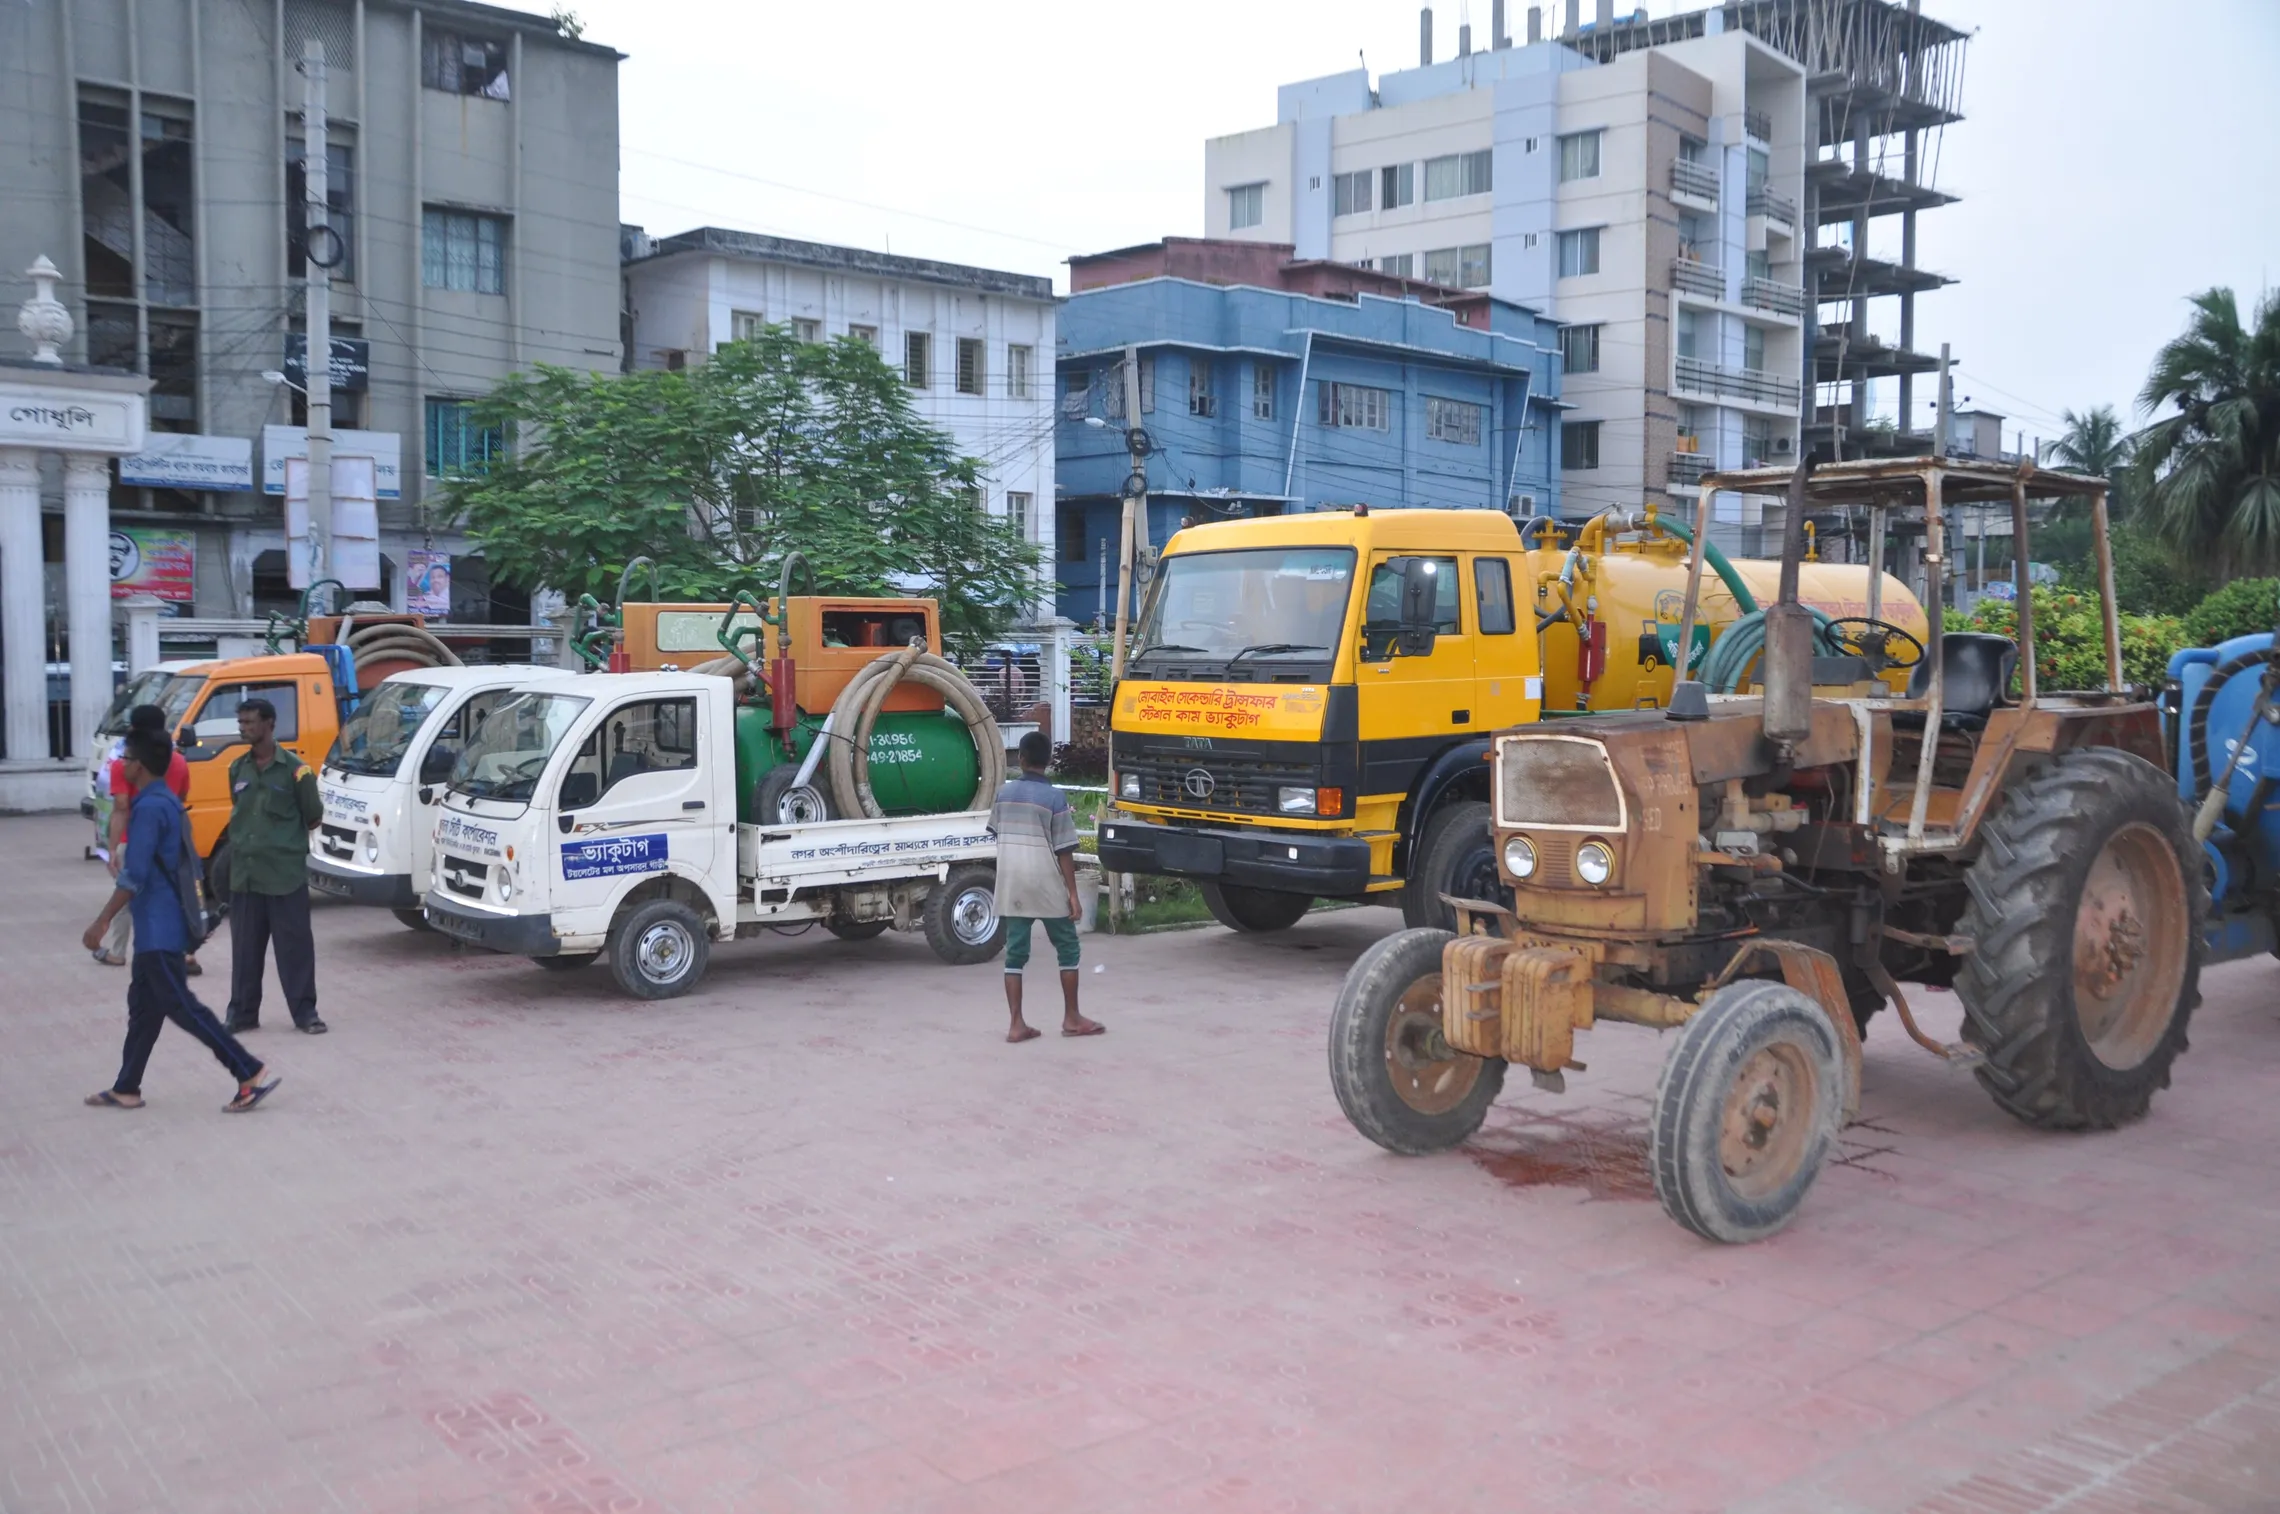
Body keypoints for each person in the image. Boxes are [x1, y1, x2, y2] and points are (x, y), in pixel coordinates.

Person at [82, 727, 279, 1112]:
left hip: (158, 930)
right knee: (143, 1009)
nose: (122, 764)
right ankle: (127, 1088)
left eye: (125, 759)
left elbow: (134, 876)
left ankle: (248, 1070)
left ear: (138, 765)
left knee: (183, 1007)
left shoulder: (150, 809)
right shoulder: (168, 802)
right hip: (162, 924)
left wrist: (102, 922)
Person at [989, 731, 1103, 1043]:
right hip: (1046, 883)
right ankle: (1072, 1017)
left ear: (1021, 759)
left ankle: (1016, 1024)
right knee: (1067, 948)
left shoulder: (1003, 794)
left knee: (1015, 955)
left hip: (1012, 883)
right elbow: (1064, 850)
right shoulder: (1055, 798)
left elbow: (996, 833)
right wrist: (1073, 894)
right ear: (1049, 761)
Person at [222, 697, 328, 1035]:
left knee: (294, 949)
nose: (244, 729)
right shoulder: (237, 769)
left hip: (284, 876)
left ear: (270, 724)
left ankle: (305, 1013)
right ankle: (241, 1013)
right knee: (245, 951)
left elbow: (313, 817)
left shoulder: (297, 771)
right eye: (241, 723)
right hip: (246, 877)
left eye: (250, 723)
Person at [95, 703, 200, 972]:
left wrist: (112, 847)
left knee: (126, 893)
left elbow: (120, 807)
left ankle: (118, 952)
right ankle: (186, 952)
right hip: (171, 840)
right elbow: (182, 797)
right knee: (174, 893)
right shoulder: (177, 761)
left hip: (135, 838)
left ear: (136, 728)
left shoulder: (126, 763)